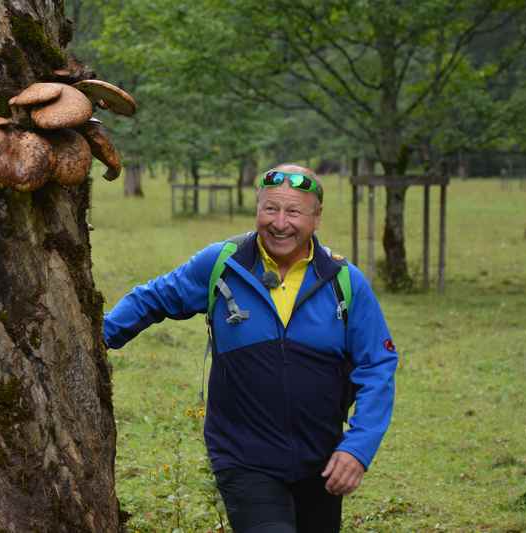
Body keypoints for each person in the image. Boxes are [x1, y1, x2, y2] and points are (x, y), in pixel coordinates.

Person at [103, 164, 397, 532]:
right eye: (270, 209)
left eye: (293, 211)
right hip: (243, 457)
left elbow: (377, 365)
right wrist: (98, 338)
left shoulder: (344, 282)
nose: (280, 222)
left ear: (316, 217)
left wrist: (358, 447)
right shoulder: (223, 265)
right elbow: (155, 297)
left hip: (321, 461)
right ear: (257, 208)